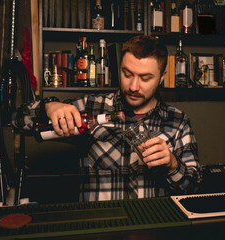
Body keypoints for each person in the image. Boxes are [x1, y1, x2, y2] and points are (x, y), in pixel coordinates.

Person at [12, 35, 202, 200]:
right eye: (127, 74)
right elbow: (16, 120)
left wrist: (172, 164)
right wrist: (49, 106)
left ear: (162, 77)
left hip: (153, 225)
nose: (134, 86)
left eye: (145, 78)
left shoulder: (177, 121)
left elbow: (193, 190)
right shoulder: (92, 107)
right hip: (100, 226)